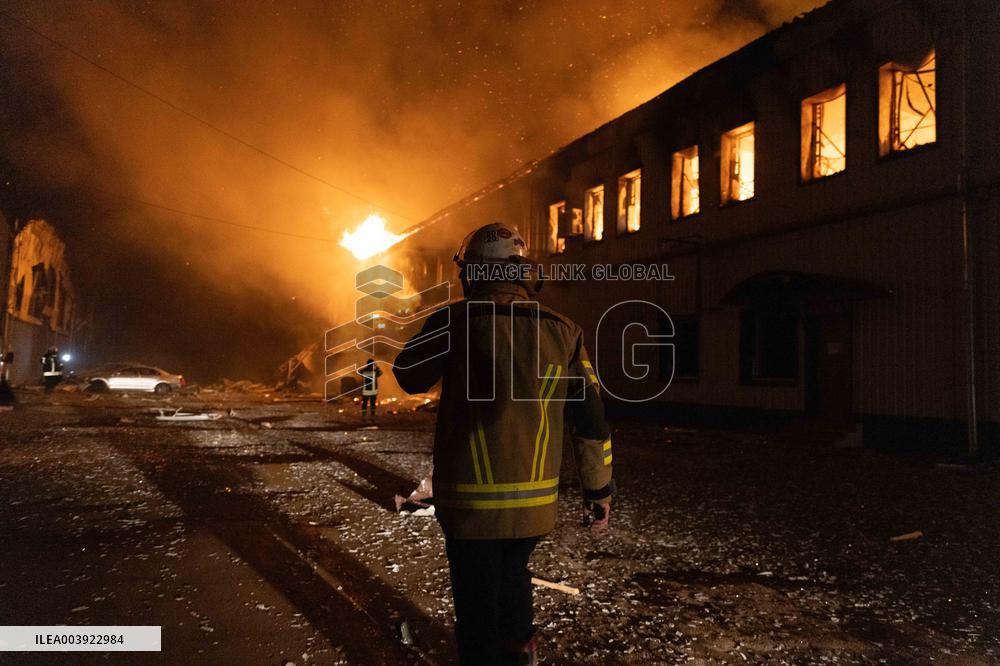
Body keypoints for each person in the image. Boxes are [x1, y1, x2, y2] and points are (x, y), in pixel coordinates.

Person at [393, 222, 614, 665]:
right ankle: (520, 653)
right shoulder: (564, 329)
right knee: (515, 574)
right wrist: (599, 491)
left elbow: (408, 375)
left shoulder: (455, 320)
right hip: (533, 505)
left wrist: (442, 325)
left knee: (476, 602)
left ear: (474, 270)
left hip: (470, 506)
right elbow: (590, 418)